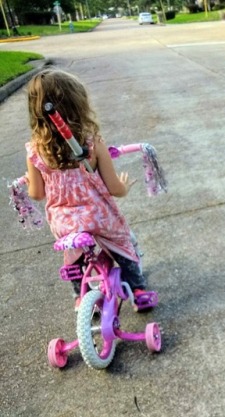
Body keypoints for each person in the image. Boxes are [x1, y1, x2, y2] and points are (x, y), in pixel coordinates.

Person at [25, 68, 151, 312]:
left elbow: (37, 194)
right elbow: (114, 188)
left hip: (64, 223)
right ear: (78, 104)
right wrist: (124, 187)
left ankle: (81, 296)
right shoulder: (92, 143)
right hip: (98, 217)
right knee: (124, 244)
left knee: (73, 253)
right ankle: (138, 289)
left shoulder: (35, 150)